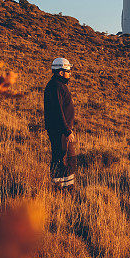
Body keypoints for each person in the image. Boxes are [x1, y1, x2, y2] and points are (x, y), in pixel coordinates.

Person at [43, 57, 76, 189]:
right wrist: (67, 131)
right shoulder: (56, 86)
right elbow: (58, 110)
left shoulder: (57, 85)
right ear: (60, 72)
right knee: (62, 159)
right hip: (60, 131)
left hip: (61, 130)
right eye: (68, 71)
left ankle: (64, 188)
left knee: (65, 158)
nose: (70, 74)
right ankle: (61, 189)